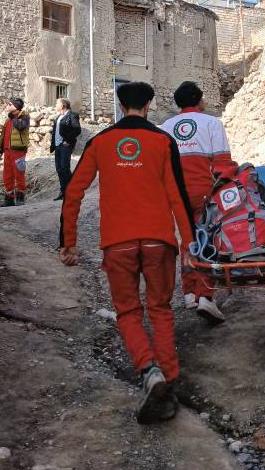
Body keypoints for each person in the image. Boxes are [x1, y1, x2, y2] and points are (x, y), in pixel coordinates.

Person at [59, 81, 195, 425]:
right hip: (158, 242)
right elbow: (178, 195)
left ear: (121, 107)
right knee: (160, 309)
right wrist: (188, 244)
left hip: (117, 243)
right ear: (148, 106)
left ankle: (149, 372)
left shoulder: (100, 142)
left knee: (128, 311)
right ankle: (169, 379)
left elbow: (73, 192)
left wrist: (69, 242)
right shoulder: (163, 141)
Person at [160, 81, 235, 325]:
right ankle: (205, 295)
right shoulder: (212, 123)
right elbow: (223, 165)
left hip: (176, 194)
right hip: (205, 192)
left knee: (187, 240)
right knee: (208, 240)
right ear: (199, 100)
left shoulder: (165, 127)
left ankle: (189, 293)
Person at [50, 98, 81, 200]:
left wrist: (68, 140)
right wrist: (53, 144)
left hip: (65, 145)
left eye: (57, 103)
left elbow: (77, 130)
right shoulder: (58, 117)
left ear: (63, 105)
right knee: (59, 169)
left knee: (64, 168)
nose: (55, 105)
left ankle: (72, 191)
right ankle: (63, 191)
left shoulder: (72, 115)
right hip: (57, 146)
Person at [0, 98, 29, 207]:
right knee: (7, 175)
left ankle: (20, 198)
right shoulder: (8, 120)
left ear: (16, 107)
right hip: (7, 151)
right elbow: (3, 136)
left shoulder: (24, 117)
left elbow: (21, 127)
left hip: (18, 151)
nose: (7, 106)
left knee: (19, 173)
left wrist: (15, 116)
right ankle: (9, 199)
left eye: (10, 104)